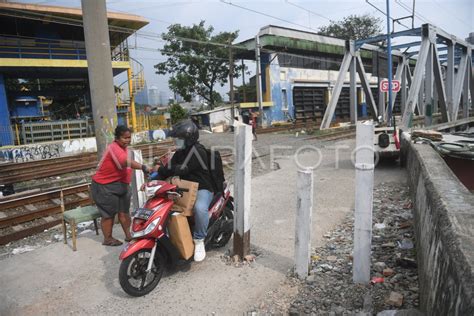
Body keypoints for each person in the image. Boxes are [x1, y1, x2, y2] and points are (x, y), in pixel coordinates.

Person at [156, 119, 214, 262]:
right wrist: (154, 178)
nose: (176, 141)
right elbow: (168, 168)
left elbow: (180, 169)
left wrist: (163, 170)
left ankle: (199, 240)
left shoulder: (198, 152)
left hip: (202, 187)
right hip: (184, 188)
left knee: (200, 209)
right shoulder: (180, 152)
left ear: (188, 138)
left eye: (179, 138)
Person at [91, 125, 150, 246]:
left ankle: (128, 235)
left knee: (124, 211)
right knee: (108, 215)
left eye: (129, 137)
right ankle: (108, 239)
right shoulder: (113, 148)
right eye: (125, 138)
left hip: (122, 185)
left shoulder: (124, 148)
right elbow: (124, 161)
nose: (128, 140)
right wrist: (142, 166)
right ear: (117, 138)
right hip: (105, 186)